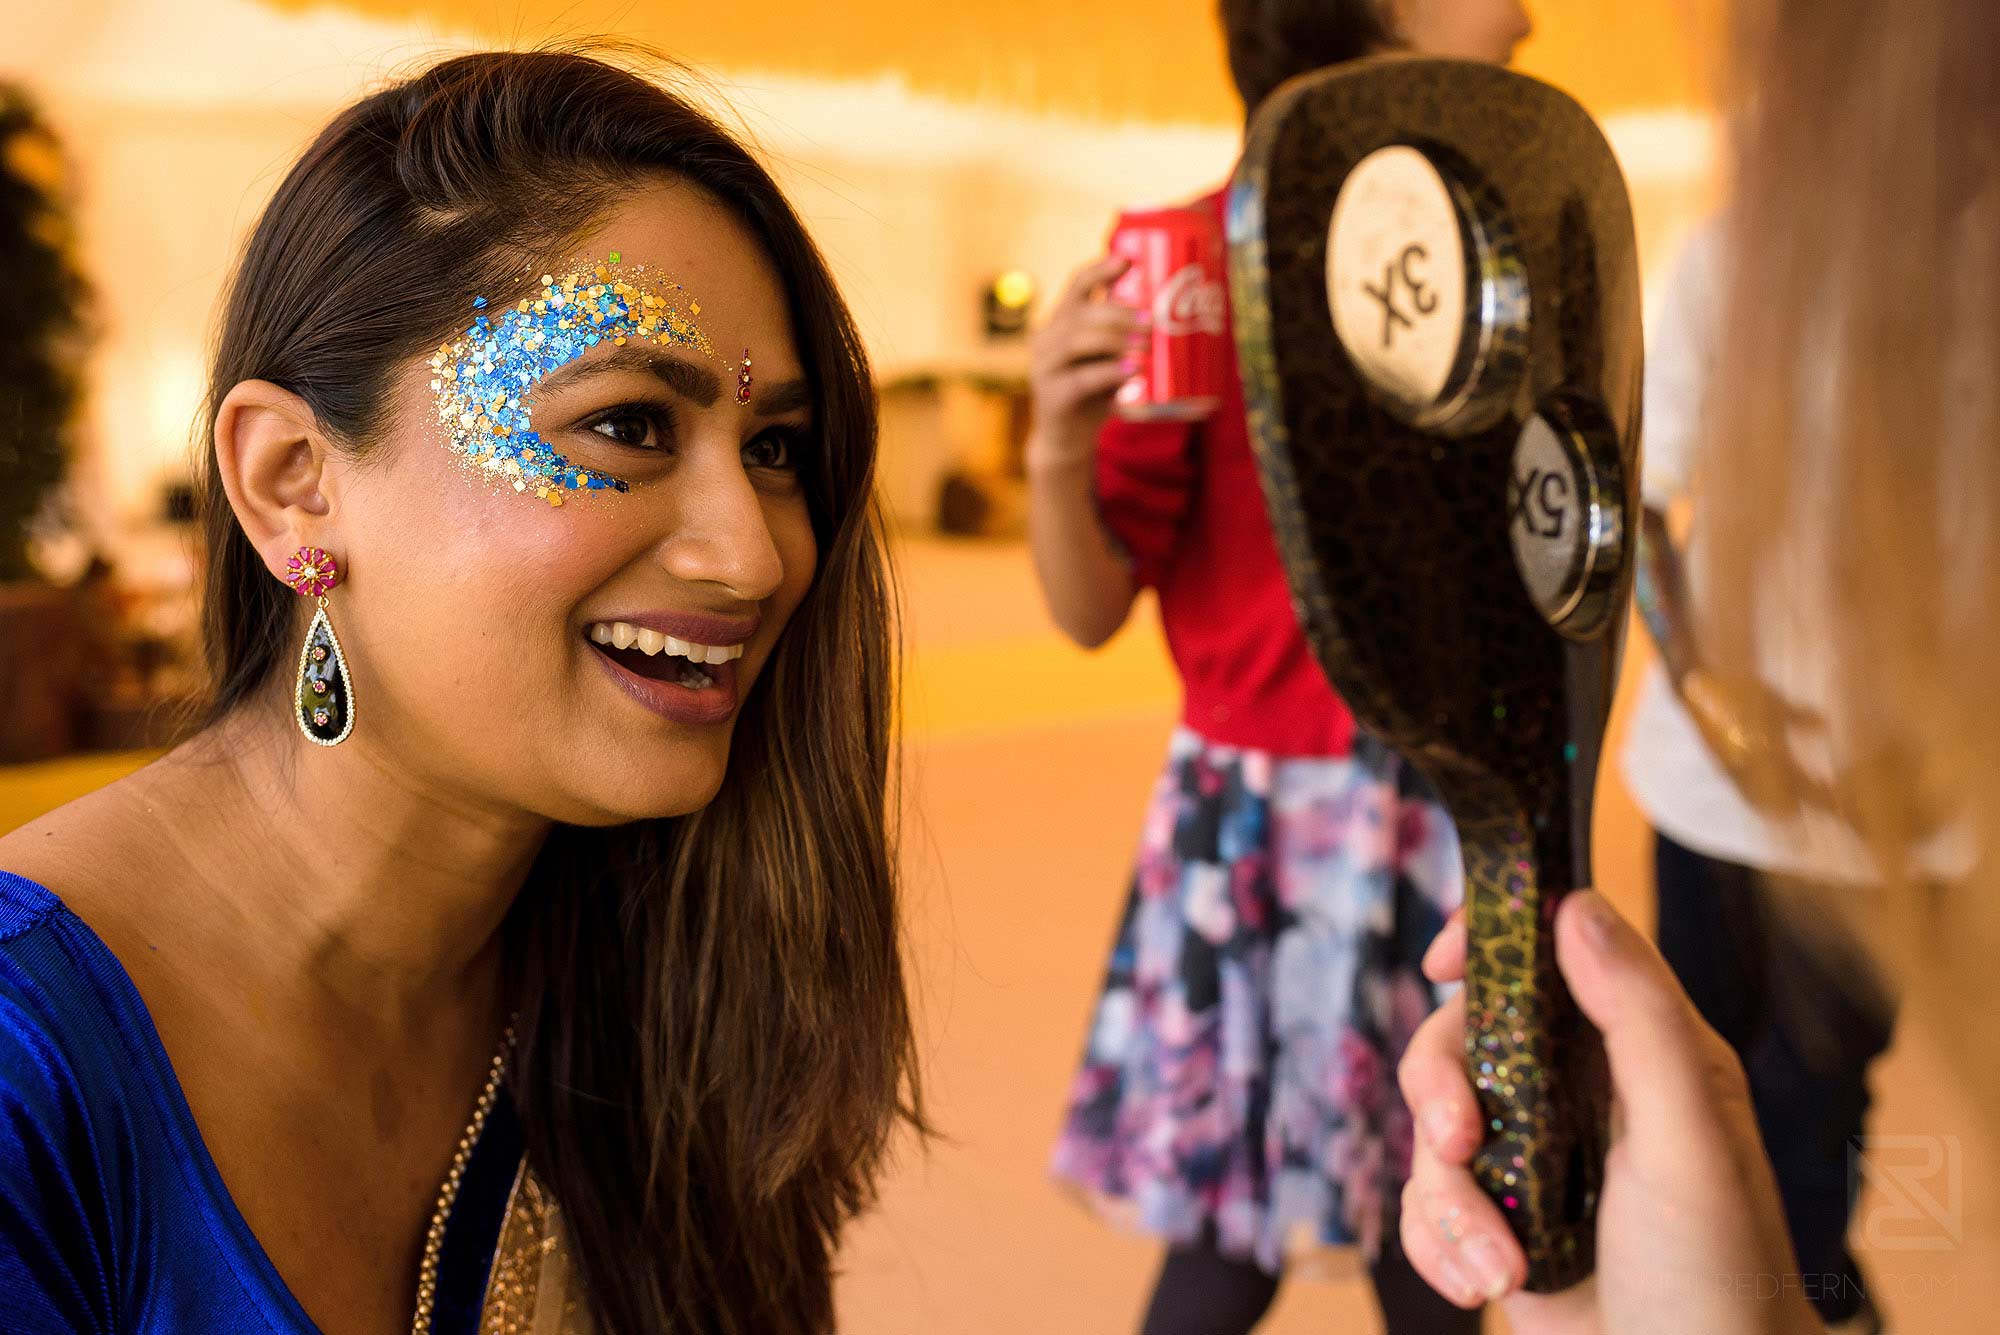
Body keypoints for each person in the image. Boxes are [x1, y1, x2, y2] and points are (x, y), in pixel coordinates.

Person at [0, 50, 919, 1335]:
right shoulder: (28, 1066)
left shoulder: (657, 971)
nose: (754, 557)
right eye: (629, 425)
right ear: (293, 481)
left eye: (774, 449)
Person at [1397, 0, 1999, 1330]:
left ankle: (1810, 1296)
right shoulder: (1746, 255)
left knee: (1816, 1104)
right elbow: (1643, 504)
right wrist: (1719, 709)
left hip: (1914, 811)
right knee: (1688, 1075)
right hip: (1718, 789)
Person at [1033, 3, 1531, 1332]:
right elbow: (1088, 610)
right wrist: (1053, 447)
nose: (1525, 12)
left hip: (1444, 805)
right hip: (1263, 819)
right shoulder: (1196, 258)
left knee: (1446, 1222)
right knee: (1230, 1248)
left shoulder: (1486, 243)